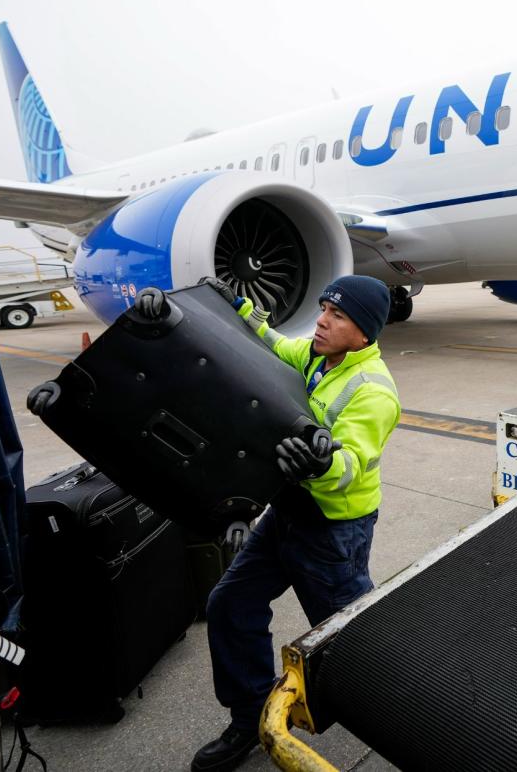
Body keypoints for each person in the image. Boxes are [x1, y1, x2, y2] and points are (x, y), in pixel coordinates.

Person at [138, 274, 399, 772]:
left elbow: (352, 466)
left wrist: (322, 465)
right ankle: (250, 717)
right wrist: (224, 305)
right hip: (286, 513)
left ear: (364, 332)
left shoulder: (374, 392)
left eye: (337, 315)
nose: (322, 320)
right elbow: (272, 342)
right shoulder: (317, 358)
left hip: (332, 531)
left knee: (347, 639)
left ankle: (405, 714)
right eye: (324, 307)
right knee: (230, 603)